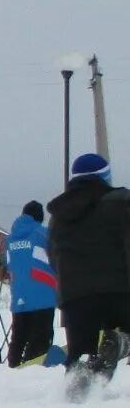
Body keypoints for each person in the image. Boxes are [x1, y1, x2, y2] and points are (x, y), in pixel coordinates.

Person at [46, 154, 130, 393]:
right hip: (119, 289)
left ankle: (78, 396)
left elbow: (54, 255)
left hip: (75, 294)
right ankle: (121, 343)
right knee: (122, 336)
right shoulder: (122, 203)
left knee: (81, 354)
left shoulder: (59, 215)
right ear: (105, 176)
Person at [5, 201, 59, 366]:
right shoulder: (44, 234)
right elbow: (58, 257)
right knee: (40, 339)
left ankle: (13, 367)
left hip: (19, 294)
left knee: (19, 337)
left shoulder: (10, 239)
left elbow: (8, 265)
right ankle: (34, 371)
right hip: (43, 293)